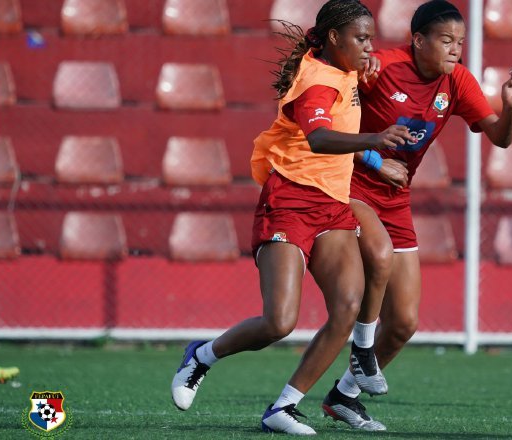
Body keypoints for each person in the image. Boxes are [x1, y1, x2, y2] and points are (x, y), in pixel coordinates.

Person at [169, 0, 414, 434]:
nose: (368, 47)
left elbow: (351, 95)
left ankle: (284, 407)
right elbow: (320, 138)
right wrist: (377, 141)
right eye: (360, 38)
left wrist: (373, 160)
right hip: (290, 202)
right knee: (279, 322)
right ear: (335, 38)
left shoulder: (345, 65)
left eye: (370, 38)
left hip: (334, 205)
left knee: (346, 307)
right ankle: (203, 355)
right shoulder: (317, 81)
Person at [321, 0, 512, 430]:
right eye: (446, 40)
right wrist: (376, 160)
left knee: (404, 323)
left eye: (460, 42)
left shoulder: (457, 81)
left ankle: (343, 396)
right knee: (376, 258)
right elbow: (331, 122)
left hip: (396, 200)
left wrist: (510, 108)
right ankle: (358, 349)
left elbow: (501, 138)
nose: (455, 50)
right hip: (350, 187)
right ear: (418, 40)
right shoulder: (381, 67)